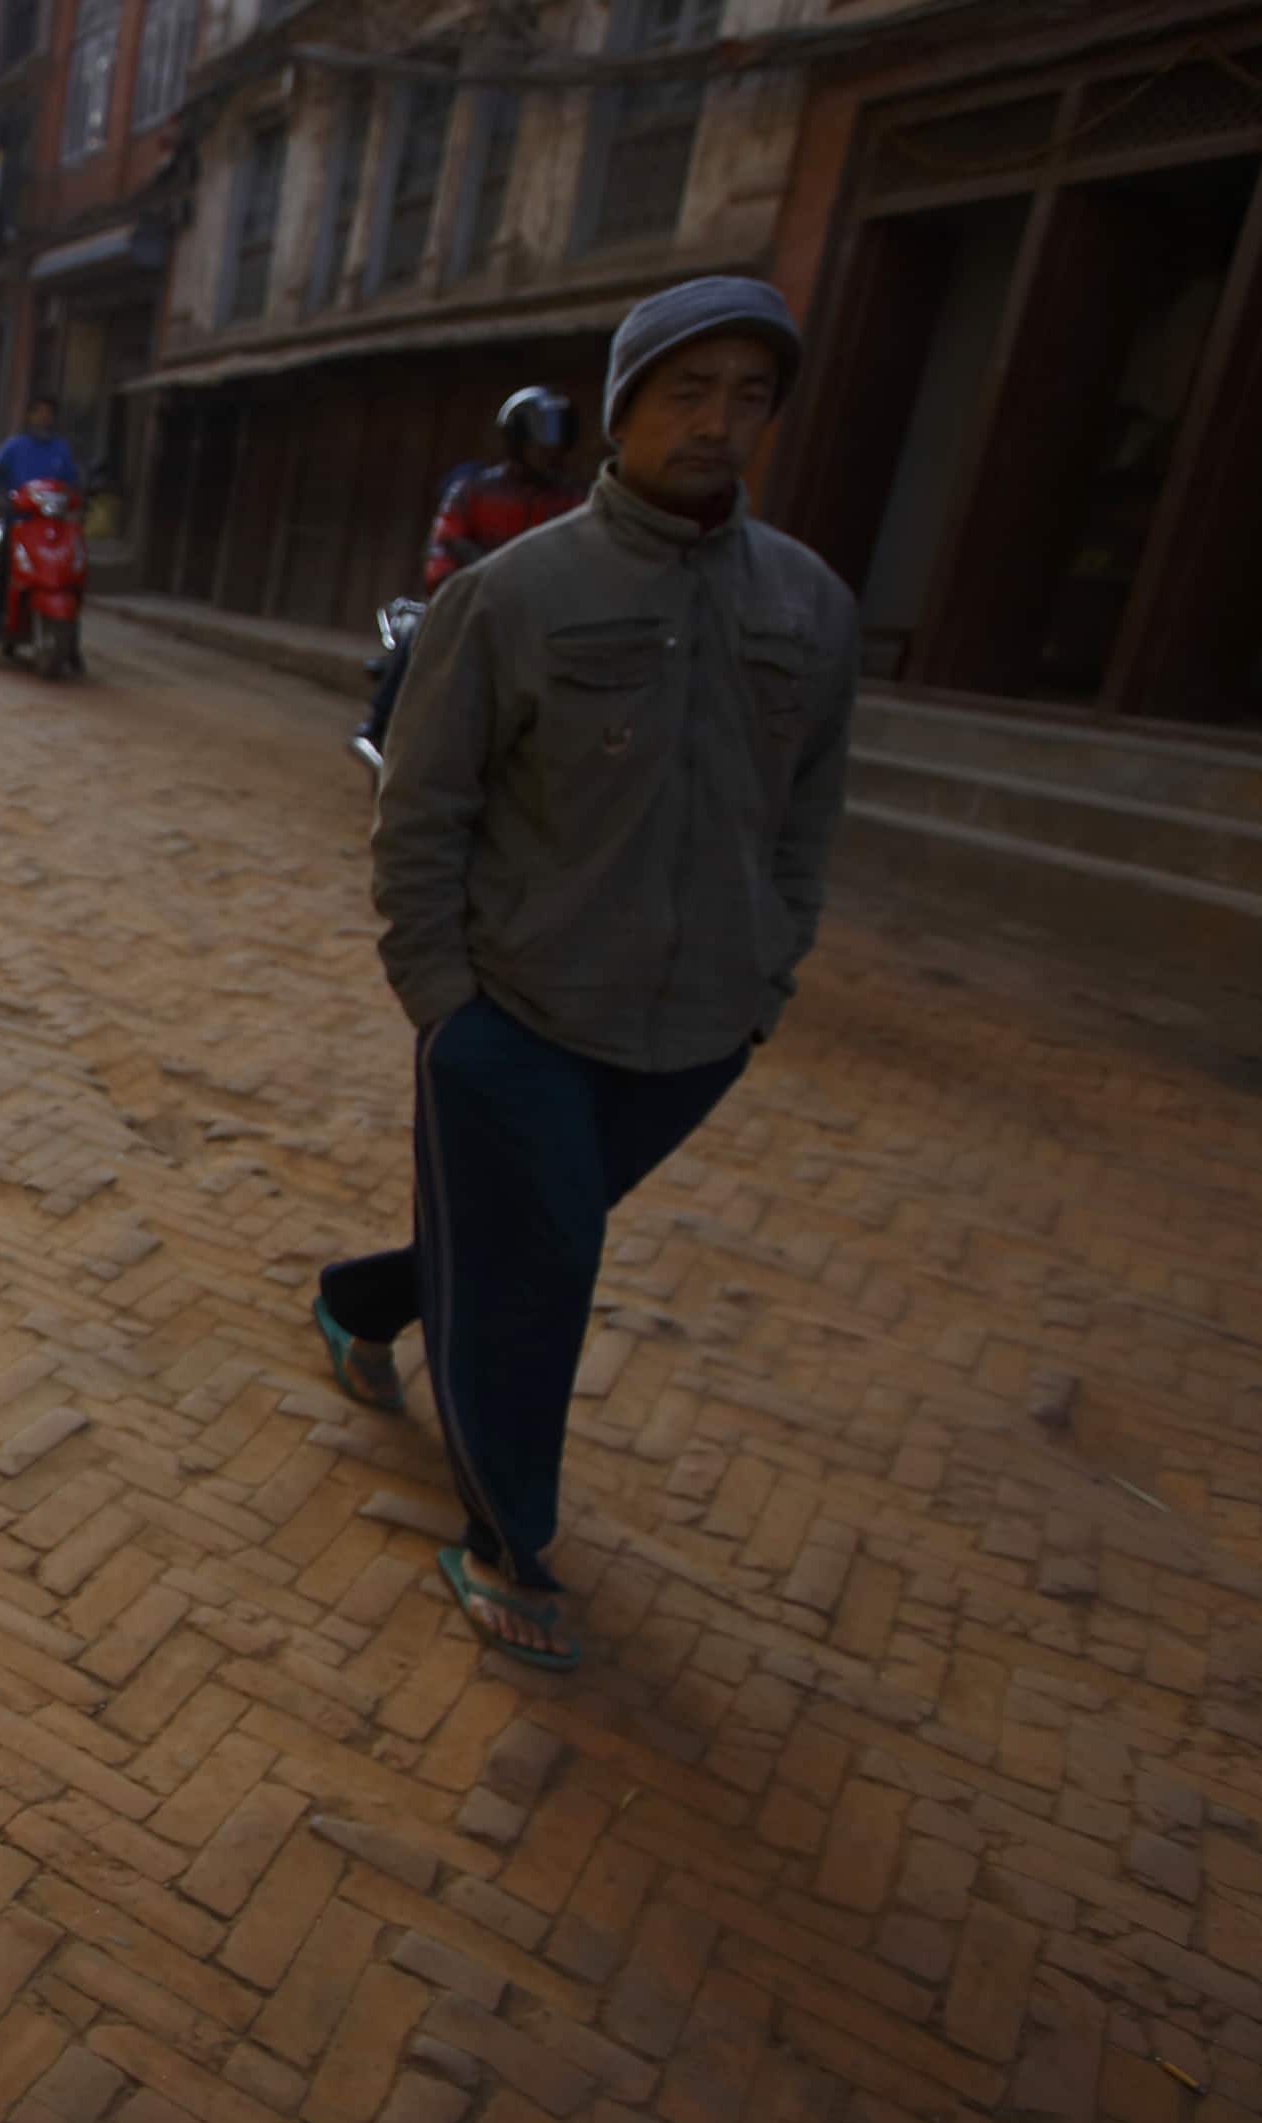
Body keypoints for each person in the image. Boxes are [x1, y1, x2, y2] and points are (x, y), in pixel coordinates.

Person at [311, 276, 856, 1673]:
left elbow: (807, 814)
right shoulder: (510, 594)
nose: (717, 422)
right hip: (520, 1017)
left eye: (747, 396)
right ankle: (508, 1541)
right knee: (543, 1266)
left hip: (699, 1031)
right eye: (688, 391)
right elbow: (420, 814)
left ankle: (367, 1300)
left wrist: (769, 972)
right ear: (623, 410)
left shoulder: (810, 603)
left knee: (522, 1232)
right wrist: (447, 1007)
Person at [354, 386, 587, 763]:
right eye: (541, 447)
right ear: (516, 442)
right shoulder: (473, 491)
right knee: (423, 630)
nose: (549, 456)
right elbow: (442, 548)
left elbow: (584, 559)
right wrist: (458, 587)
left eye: (555, 449)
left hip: (542, 613)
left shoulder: (574, 501)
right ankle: (377, 726)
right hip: (471, 602)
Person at [0, 393, 79, 659]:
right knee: (2, 578)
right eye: (39, 411)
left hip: (53, 530)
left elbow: (74, 483)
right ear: (30, 416)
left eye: (48, 412)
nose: (44, 417)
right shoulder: (14, 447)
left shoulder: (61, 451)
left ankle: (72, 648)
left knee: (72, 580)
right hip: (20, 526)